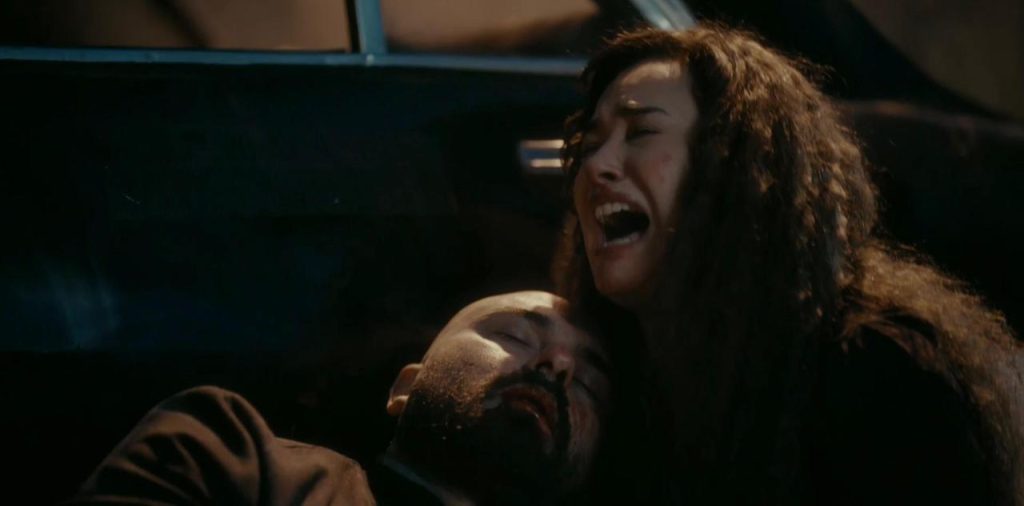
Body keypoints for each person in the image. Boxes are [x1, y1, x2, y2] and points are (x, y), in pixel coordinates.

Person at [554, 25, 1024, 505]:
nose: (596, 165)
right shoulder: (631, 386)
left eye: (641, 132)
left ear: (736, 163)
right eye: (590, 145)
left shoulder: (873, 369)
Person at [68, 291, 620, 506]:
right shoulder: (230, 457)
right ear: (405, 388)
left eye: (589, 385)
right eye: (515, 336)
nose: (558, 366)